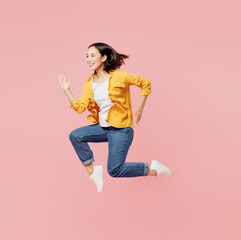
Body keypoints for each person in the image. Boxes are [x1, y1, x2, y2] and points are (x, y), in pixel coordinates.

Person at [58, 42, 173, 193]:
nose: (89, 59)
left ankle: (154, 169)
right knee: (75, 136)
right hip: (104, 127)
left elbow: (145, 83)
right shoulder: (89, 83)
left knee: (114, 170)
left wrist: (140, 106)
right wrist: (67, 91)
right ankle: (93, 172)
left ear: (104, 57)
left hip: (121, 129)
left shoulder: (120, 76)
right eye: (87, 56)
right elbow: (80, 107)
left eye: (93, 55)